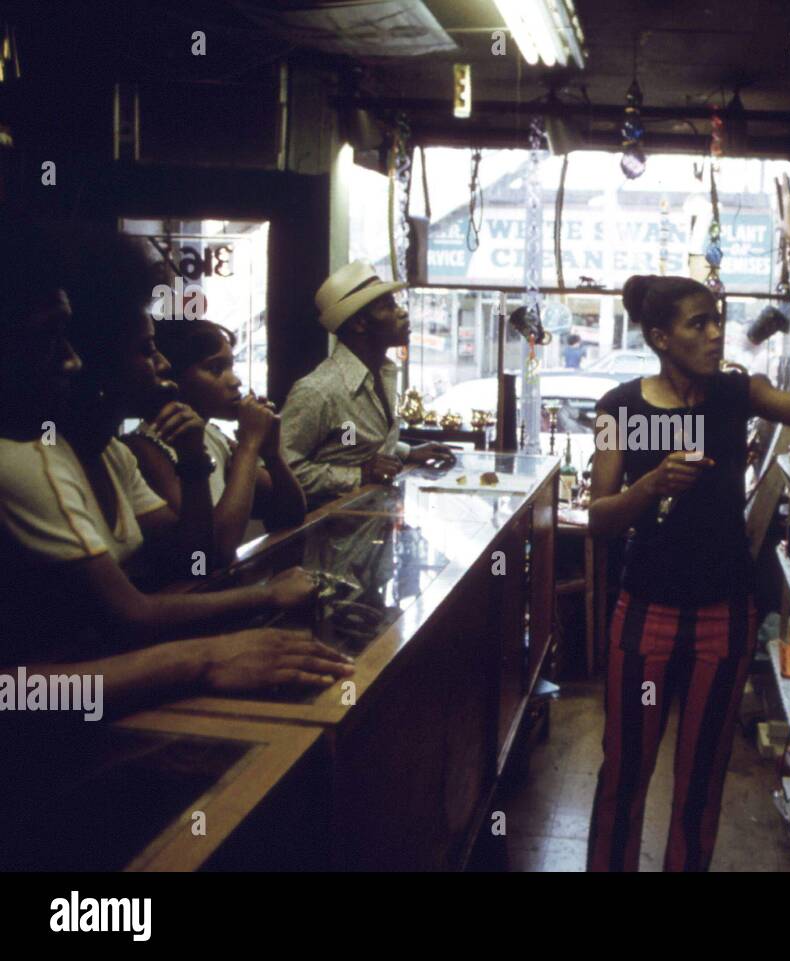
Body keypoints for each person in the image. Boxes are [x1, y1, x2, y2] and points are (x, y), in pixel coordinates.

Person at [585, 269, 790, 872]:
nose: (718, 335)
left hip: (725, 615)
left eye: (718, 320)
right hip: (645, 612)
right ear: (661, 337)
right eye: (700, 324)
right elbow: (598, 519)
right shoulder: (621, 407)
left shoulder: (737, 394)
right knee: (624, 772)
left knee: (700, 782)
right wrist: (649, 487)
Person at [0, 220, 351, 713]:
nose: (70, 361)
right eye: (46, 340)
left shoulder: (109, 453)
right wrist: (211, 649)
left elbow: (195, 558)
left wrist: (193, 460)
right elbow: (123, 623)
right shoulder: (26, 460)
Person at [127, 319, 306, 566]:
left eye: (231, 366)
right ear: (175, 376)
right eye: (215, 369)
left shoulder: (212, 435)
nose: (235, 382)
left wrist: (272, 454)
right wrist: (249, 445)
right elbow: (213, 552)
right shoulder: (146, 448)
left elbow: (289, 514)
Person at [280, 261, 453, 506]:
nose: (402, 313)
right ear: (359, 324)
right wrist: (358, 475)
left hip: (370, 526)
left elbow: (351, 444)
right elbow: (278, 469)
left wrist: (407, 452)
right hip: (329, 533)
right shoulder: (318, 391)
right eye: (388, 307)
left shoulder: (382, 373)